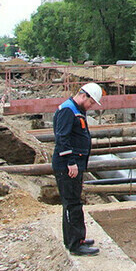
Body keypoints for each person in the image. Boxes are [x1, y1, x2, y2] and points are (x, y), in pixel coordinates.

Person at [52, 82, 103, 256]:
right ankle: (75, 245)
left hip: (74, 164)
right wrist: (70, 162)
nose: (91, 107)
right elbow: (62, 138)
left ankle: (76, 239)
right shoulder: (68, 110)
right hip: (68, 166)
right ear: (84, 96)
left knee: (73, 202)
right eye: (91, 103)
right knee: (72, 204)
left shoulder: (75, 109)